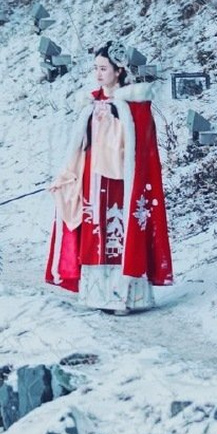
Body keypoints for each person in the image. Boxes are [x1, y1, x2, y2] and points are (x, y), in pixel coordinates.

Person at [45, 41, 173, 311]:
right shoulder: (90, 103)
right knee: (94, 232)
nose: (99, 74)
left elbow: (140, 146)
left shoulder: (134, 103)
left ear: (119, 70)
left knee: (120, 232)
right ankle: (96, 294)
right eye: (96, 69)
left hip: (121, 180)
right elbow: (80, 144)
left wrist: (114, 116)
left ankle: (127, 296)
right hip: (92, 177)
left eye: (104, 69)